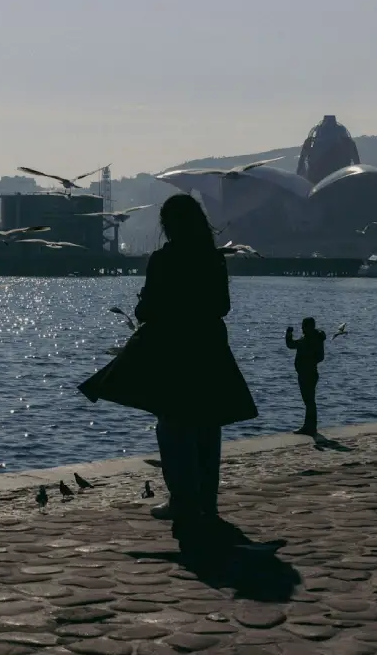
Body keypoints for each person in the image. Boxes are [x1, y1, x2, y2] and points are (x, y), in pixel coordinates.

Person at [78, 193, 258, 559]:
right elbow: (222, 306)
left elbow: (147, 309)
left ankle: (182, 501)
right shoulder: (213, 258)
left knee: (173, 423)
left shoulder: (165, 258)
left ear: (168, 225)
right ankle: (207, 503)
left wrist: (148, 301)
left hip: (173, 348)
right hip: (208, 346)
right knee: (208, 423)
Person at [286, 317, 326, 435]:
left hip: (307, 373)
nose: (302, 328)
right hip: (308, 372)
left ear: (309, 327)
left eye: (304, 326)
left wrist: (288, 334)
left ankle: (310, 427)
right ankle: (310, 426)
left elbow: (291, 345)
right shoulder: (314, 338)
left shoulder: (309, 339)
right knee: (309, 401)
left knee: (309, 401)